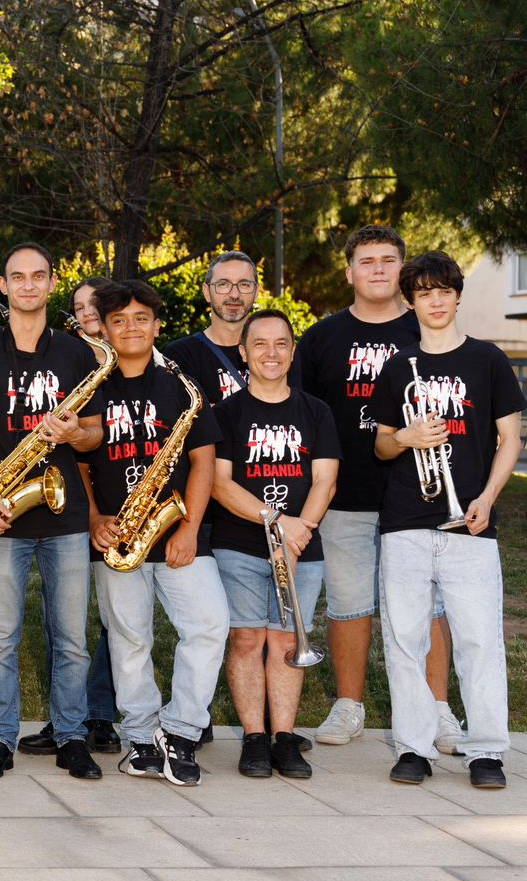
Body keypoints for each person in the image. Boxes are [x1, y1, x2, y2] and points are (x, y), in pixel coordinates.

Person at [294, 224, 458, 750]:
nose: (380, 269)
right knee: (348, 605)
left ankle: (438, 710)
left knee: (429, 608)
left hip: (421, 497)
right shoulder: (321, 337)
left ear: (403, 270)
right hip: (347, 496)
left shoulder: (426, 330)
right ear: (349, 271)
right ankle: (349, 706)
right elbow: (306, 418)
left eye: (390, 260)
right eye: (368, 261)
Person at [0, 242, 105, 780]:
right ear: (2, 287)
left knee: (71, 639)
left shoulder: (79, 353)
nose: (29, 285)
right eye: (18, 277)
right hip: (2, 516)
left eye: (39, 276)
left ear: (53, 282)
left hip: (64, 518)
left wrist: (75, 431)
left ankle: (72, 737)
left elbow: (96, 435)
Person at [373, 251, 521, 789]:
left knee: (480, 639)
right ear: (411, 302)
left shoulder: (487, 360)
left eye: (444, 291)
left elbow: (511, 440)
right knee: (404, 638)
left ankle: (485, 752)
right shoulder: (397, 368)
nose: (435, 301)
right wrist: (406, 438)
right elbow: (382, 445)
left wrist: (487, 496)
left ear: (457, 295)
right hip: (407, 521)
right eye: (424, 293)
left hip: (472, 522)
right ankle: (413, 747)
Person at [75, 280, 227, 787]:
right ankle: (141, 739)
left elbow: (203, 463)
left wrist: (189, 528)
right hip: (117, 536)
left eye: (141, 318)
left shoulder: (182, 387)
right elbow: (78, 465)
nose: (131, 327)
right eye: (120, 320)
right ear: (106, 329)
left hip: (179, 534)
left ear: (157, 325)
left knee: (208, 627)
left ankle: (180, 731)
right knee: (127, 640)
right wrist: (95, 518)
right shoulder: (93, 387)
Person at [211, 308, 337, 780]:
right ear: (243, 353)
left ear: (292, 351)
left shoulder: (316, 411)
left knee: (287, 640)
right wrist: (276, 521)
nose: (270, 352)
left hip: (301, 545)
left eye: (280, 343)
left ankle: (284, 738)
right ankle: (253, 739)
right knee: (246, 639)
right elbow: (221, 485)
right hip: (239, 544)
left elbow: (325, 480)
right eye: (259, 344)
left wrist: (299, 530)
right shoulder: (226, 414)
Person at [22, 275, 122, 757]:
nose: (86, 316)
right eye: (79, 308)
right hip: (80, 503)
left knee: (111, 620)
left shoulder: (131, 360)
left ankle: (96, 713)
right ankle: (72, 718)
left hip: (122, 503)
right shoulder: (72, 360)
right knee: (67, 621)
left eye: (95, 308)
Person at [163, 252, 256, 403]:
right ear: (207, 292)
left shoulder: (276, 353)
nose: (234, 294)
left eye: (244, 284)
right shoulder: (181, 355)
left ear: (256, 292)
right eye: (223, 284)